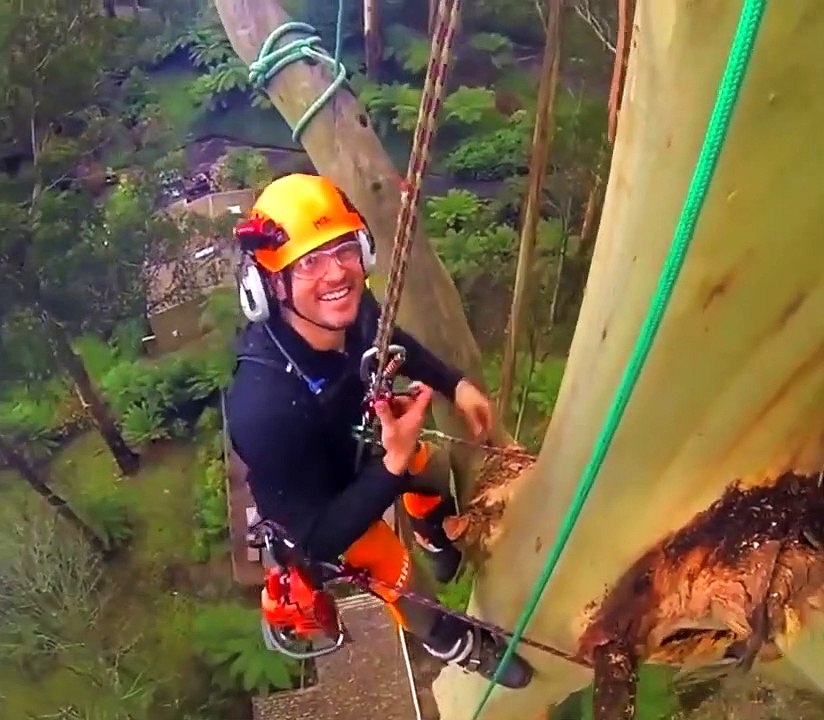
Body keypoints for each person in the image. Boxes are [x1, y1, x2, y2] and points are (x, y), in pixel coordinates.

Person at [225, 173, 533, 689]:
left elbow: (390, 339)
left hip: (366, 444)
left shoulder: (352, 308)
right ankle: (454, 641)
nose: (337, 273)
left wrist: (453, 384)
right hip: (325, 506)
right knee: (398, 574)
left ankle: (437, 535)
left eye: (344, 249)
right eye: (309, 263)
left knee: (431, 470)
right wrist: (392, 462)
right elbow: (320, 539)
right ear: (268, 287)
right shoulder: (263, 408)